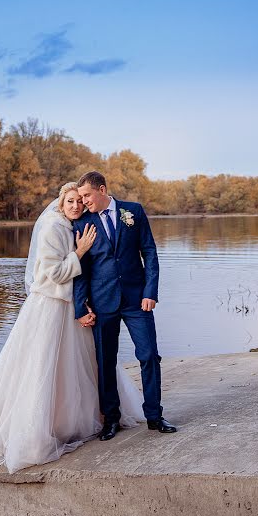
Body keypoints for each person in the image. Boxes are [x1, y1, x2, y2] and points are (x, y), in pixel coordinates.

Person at [0, 182, 144, 474]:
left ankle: (83, 416)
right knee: (44, 365)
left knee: (78, 364)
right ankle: (42, 427)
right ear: (60, 202)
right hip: (51, 307)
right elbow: (51, 274)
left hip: (71, 304)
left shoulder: (73, 225)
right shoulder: (51, 229)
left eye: (79, 202)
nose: (75, 206)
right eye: (70, 201)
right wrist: (80, 252)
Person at [73, 171, 177, 441]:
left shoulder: (133, 211)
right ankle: (111, 420)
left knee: (149, 355)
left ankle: (154, 416)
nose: (83, 202)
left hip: (136, 300)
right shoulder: (83, 223)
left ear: (102, 189)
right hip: (102, 302)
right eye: (80, 197)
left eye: (86, 195)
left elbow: (150, 252)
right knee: (105, 362)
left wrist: (150, 291)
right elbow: (81, 270)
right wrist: (81, 307)